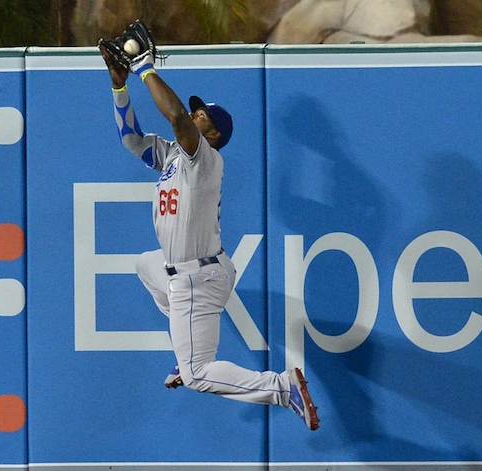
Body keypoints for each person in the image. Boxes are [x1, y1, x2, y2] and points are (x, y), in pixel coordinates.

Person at [98, 32, 319, 430]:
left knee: (199, 374)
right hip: (198, 268)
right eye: (196, 113)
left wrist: (145, 69)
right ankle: (188, 350)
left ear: (213, 134)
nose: (195, 115)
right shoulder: (172, 155)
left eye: (203, 117)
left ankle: (281, 388)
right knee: (145, 264)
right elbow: (130, 138)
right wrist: (119, 86)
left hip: (197, 276)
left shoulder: (205, 157)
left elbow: (177, 118)